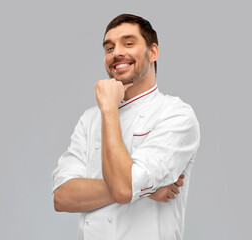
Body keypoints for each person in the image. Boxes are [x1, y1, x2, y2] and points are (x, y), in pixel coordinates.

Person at [52, 14, 200, 240]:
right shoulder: (89, 119)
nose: (117, 52)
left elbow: (124, 189)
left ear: (153, 52)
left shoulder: (175, 114)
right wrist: (146, 189)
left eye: (128, 43)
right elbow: (62, 198)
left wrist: (109, 108)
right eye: (109, 47)